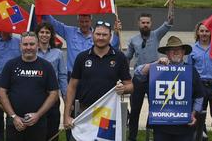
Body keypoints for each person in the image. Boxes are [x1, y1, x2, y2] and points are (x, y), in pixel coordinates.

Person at [63, 21, 133, 131]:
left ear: (110, 36)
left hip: (108, 114)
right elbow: (72, 86)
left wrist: (124, 88)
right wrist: (66, 115)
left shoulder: (119, 57)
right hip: (85, 112)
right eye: (98, 34)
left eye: (104, 35)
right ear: (92, 35)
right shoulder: (82, 57)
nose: (101, 37)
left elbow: (130, 86)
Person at [134, 36, 204, 141]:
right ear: (167, 53)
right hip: (161, 126)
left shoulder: (191, 71)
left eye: (179, 49)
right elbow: (138, 74)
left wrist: (193, 114)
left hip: (185, 126)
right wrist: (155, 64)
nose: (176, 52)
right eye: (172, 50)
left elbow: (199, 96)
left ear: (183, 52)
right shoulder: (158, 69)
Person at [0, 32, 60, 141]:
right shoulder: (10, 65)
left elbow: (54, 94)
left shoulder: (46, 66)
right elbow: (1, 92)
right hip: (14, 123)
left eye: (32, 44)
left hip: (38, 122)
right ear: (20, 46)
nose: (28, 47)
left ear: (38, 45)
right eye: (25, 44)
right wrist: (14, 117)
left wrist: (38, 115)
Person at [124, 12, 173, 141]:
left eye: (147, 23)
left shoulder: (156, 34)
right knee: (135, 110)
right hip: (139, 78)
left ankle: (151, 135)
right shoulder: (133, 40)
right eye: (143, 22)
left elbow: (169, 22)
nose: (145, 25)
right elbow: (127, 58)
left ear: (151, 24)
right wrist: (125, 74)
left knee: (155, 108)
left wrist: (171, 6)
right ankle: (132, 137)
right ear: (139, 24)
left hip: (155, 78)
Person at [43, 14, 122, 79]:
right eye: (82, 21)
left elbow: (111, 48)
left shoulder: (97, 35)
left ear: (91, 21)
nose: (84, 24)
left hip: (92, 75)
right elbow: (53, 23)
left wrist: (116, 33)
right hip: (73, 76)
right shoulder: (69, 32)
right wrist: (42, 7)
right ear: (78, 21)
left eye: (86, 21)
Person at [190, 22, 212, 141]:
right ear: (198, 32)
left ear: (211, 33)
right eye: (202, 31)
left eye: (207, 31)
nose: (204, 33)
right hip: (200, 86)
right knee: (199, 114)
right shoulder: (192, 49)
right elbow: (190, 69)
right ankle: (201, 137)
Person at [35, 22, 67, 141]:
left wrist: (65, 97)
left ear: (51, 35)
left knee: (52, 131)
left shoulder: (58, 53)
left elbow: (62, 76)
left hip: (52, 98)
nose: (44, 35)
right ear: (37, 34)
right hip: (35, 98)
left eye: (47, 32)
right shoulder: (31, 52)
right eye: (42, 32)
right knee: (36, 131)